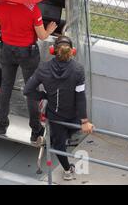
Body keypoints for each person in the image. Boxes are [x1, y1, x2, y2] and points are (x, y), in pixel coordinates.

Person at [23, 36, 94, 180]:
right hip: (73, 117)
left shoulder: (43, 68)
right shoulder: (78, 70)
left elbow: (27, 90)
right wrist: (85, 121)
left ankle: (67, 170)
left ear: (52, 51)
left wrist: (44, 95)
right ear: (72, 51)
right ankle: (64, 140)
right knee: (69, 134)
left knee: (58, 145)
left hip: (54, 117)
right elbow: (80, 97)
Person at [0, 0, 57, 142]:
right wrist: (50, 30)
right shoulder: (32, 8)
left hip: (7, 48)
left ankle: (2, 124)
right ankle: (35, 130)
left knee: (5, 86)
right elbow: (42, 36)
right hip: (27, 52)